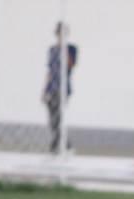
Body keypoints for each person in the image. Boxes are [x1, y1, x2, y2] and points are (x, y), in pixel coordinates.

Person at [42, 22, 78, 154]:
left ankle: (60, 146)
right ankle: (61, 145)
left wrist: (64, 49)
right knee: (52, 119)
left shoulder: (71, 48)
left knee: (59, 116)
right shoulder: (52, 49)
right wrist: (45, 90)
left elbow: (71, 65)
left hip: (63, 88)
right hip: (52, 87)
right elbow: (50, 70)